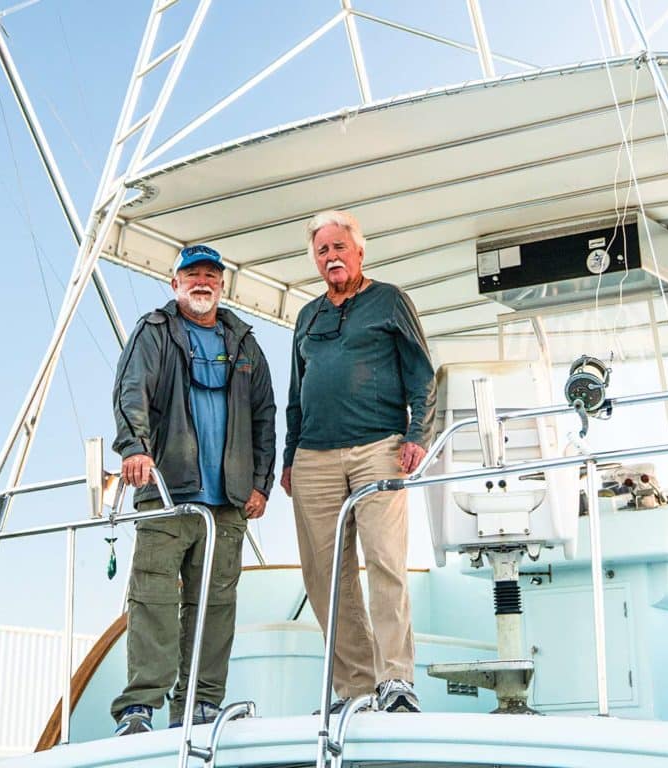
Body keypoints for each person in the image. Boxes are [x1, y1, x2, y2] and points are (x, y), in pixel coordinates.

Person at [110, 244, 276, 736]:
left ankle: (201, 706)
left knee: (217, 604)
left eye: (210, 276)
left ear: (222, 285)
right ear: (175, 283)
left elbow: (264, 416)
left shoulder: (244, 342)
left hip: (228, 500)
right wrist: (133, 448)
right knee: (153, 598)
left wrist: (261, 483)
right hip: (166, 492)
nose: (202, 282)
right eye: (192, 275)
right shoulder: (154, 331)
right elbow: (130, 390)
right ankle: (140, 708)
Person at [282, 210, 436, 714]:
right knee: (327, 576)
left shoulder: (389, 301)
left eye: (338, 247)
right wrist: (289, 459)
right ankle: (356, 688)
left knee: (386, 563)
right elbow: (295, 396)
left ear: (359, 252)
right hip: (313, 457)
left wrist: (417, 435)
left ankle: (396, 681)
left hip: (379, 449)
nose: (331, 257)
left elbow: (422, 375)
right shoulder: (308, 316)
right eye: (322, 250)